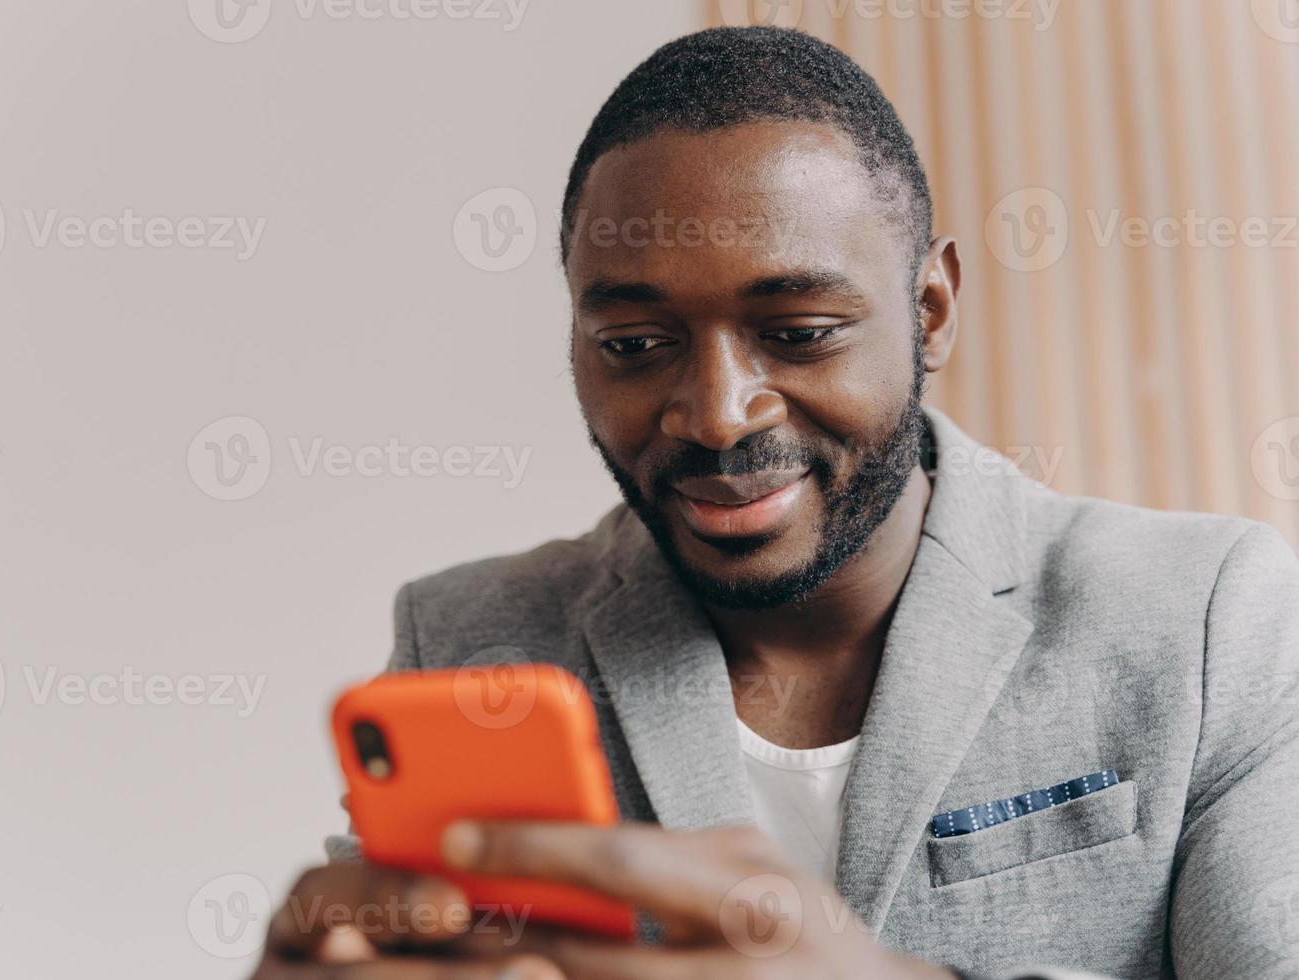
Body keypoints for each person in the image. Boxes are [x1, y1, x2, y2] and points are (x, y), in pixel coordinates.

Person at [251, 26, 1299, 980]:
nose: (715, 414)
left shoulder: (1207, 616)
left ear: (928, 312)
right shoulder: (472, 641)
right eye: (633, 346)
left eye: (798, 331)